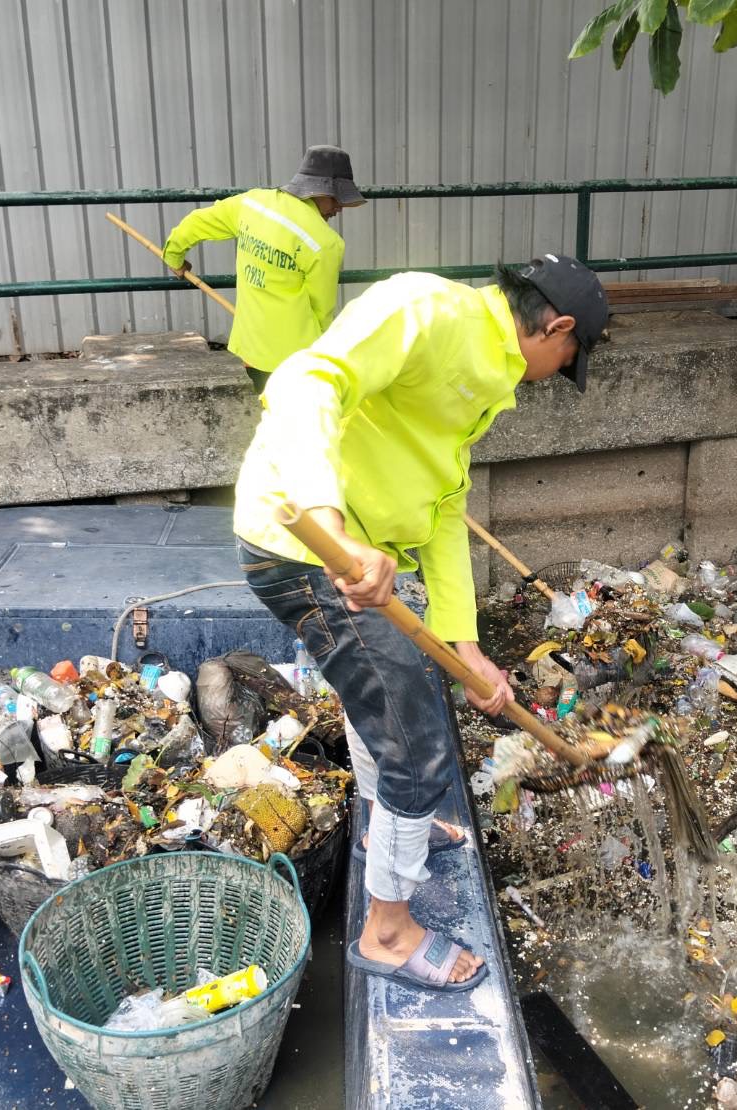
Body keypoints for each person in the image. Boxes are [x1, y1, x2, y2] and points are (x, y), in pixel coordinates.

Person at [234, 254, 608, 991]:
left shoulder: (485, 379)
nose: (559, 372)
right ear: (556, 327)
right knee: (418, 745)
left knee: (383, 696)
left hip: (352, 555)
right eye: (570, 355)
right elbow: (306, 383)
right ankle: (387, 932)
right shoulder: (426, 311)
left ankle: (390, 821)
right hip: (303, 547)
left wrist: (467, 648)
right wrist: (332, 529)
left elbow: (442, 511)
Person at [162, 145, 364, 392]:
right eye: (336, 198)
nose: (339, 207)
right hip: (295, 359)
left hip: (252, 348)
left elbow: (195, 223)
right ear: (318, 191)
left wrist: (174, 257)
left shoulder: (252, 204)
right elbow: (321, 311)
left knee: (266, 405)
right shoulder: (325, 243)